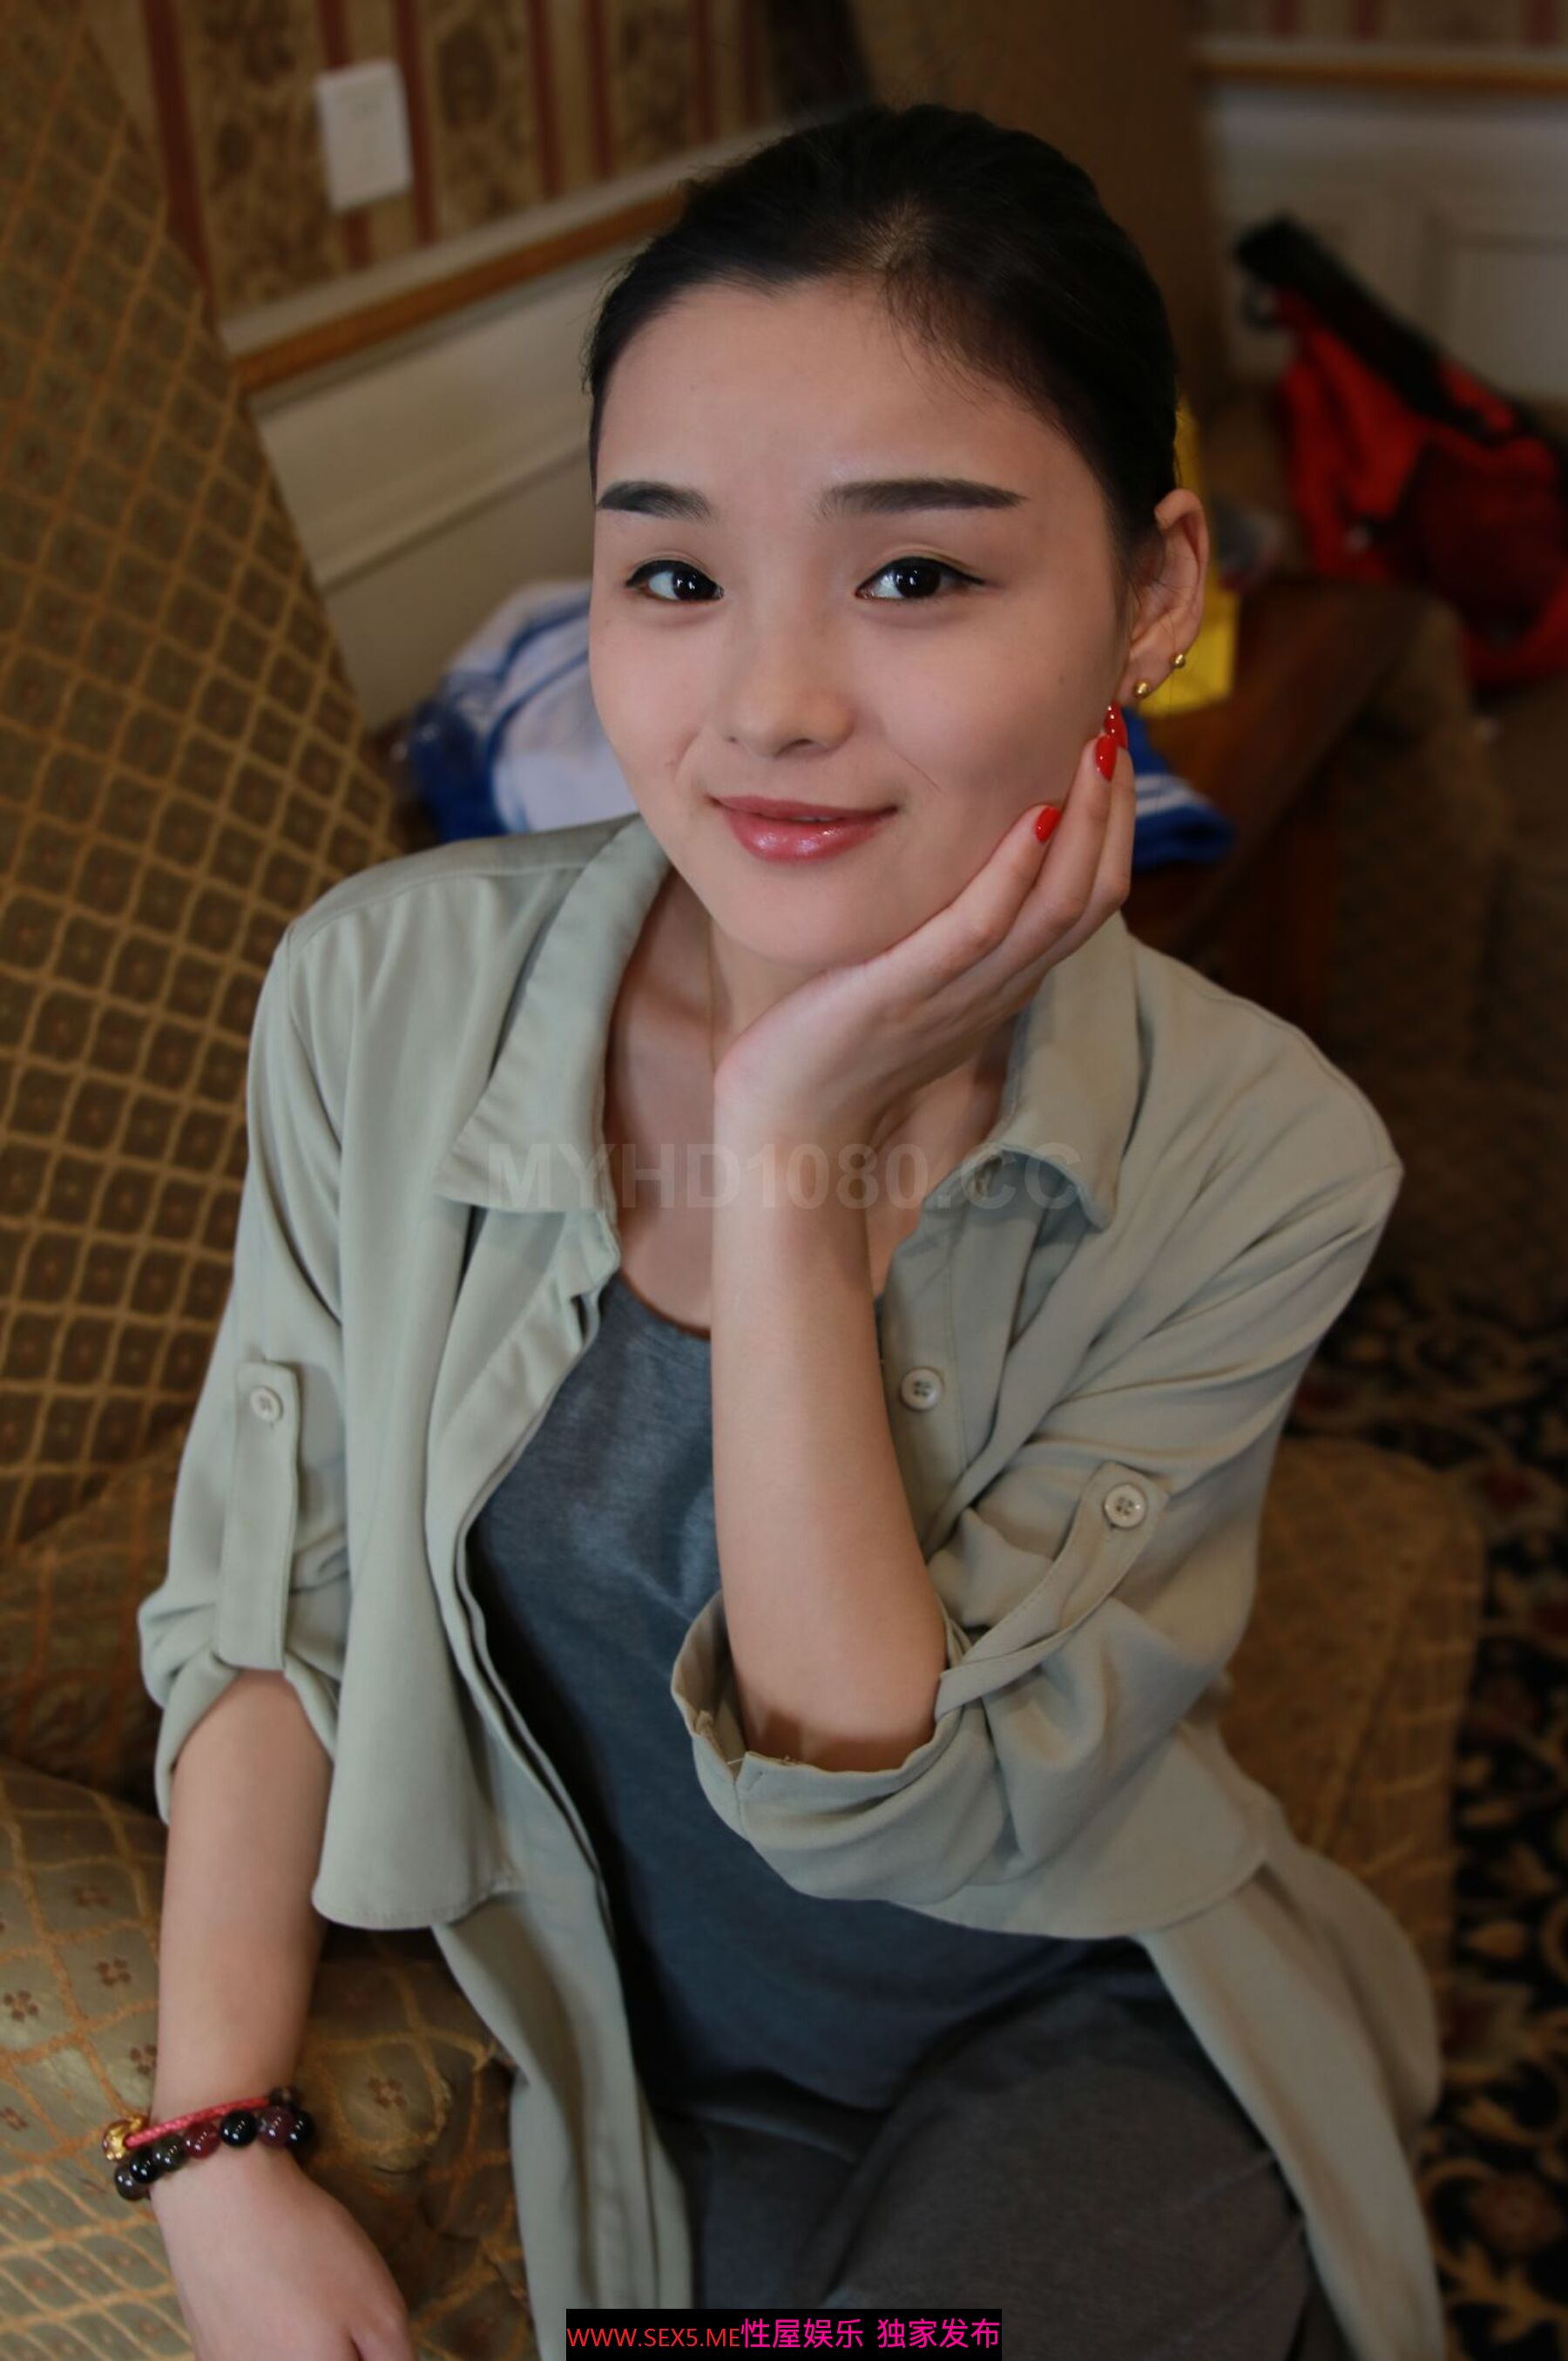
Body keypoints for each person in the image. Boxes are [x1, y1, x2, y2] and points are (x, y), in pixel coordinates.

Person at [135, 102, 1445, 2361]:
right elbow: (285, 1591)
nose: (768, 706)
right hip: (626, 2056)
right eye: (674, 576)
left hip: (1074, 2018)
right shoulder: (382, 996)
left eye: (913, 575)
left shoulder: (1264, 1157)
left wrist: (784, 1161)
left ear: (1150, 596)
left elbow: (893, 1816)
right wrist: (210, 2143)